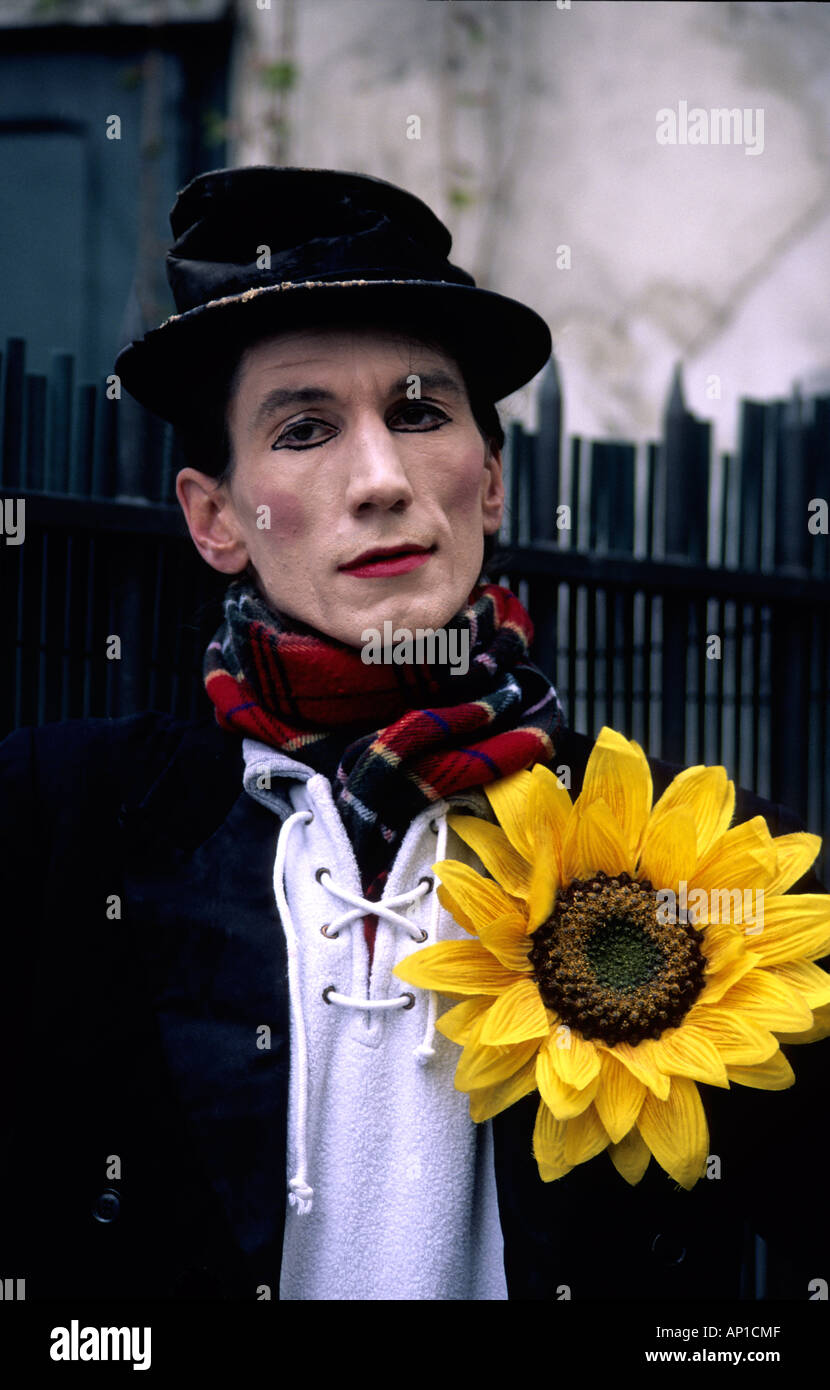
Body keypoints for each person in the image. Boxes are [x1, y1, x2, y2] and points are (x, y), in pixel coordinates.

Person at [1, 166, 826, 1302]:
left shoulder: (694, 857)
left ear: (486, 483)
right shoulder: (55, 819)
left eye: (419, 412)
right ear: (214, 518)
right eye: (303, 428)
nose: (382, 478)